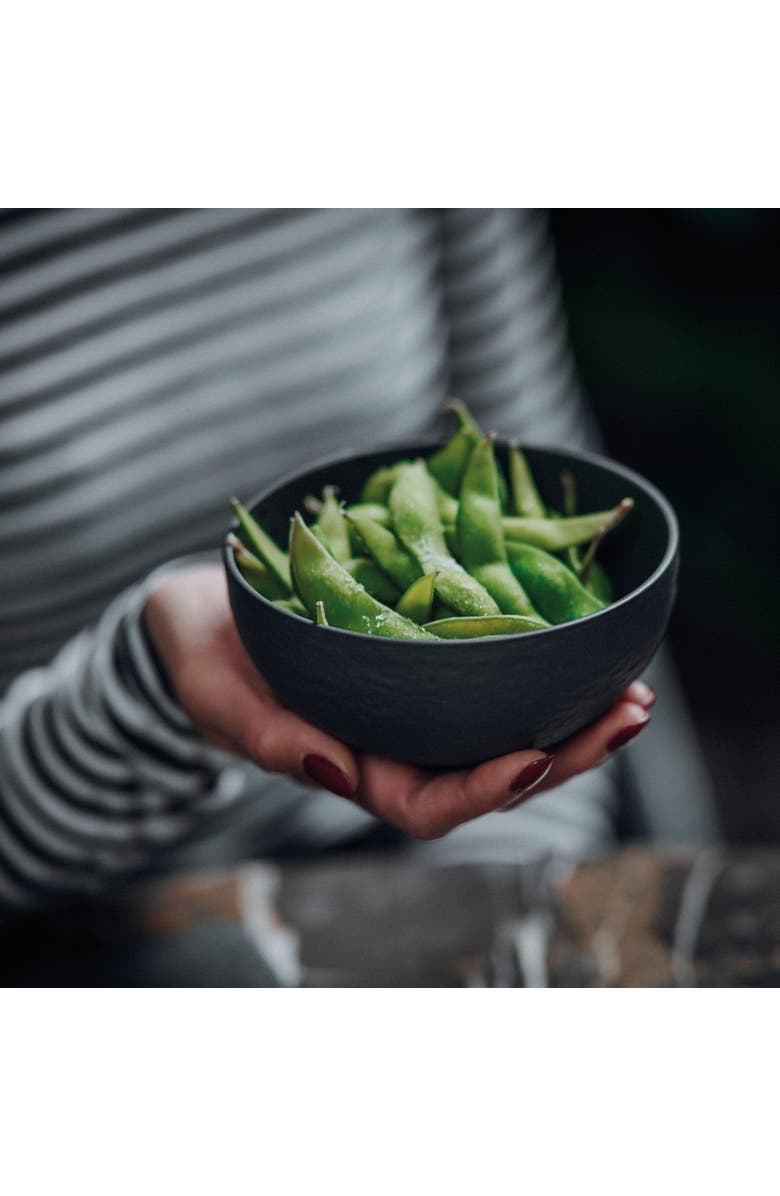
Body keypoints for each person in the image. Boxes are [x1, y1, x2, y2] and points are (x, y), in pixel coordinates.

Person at [0, 208, 693, 910]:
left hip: (451, 868)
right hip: (104, 916)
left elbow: (529, 461)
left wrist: (490, 895)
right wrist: (144, 687)